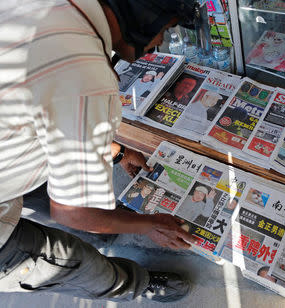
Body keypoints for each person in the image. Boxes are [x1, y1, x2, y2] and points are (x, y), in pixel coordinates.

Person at [0, 0, 199, 303]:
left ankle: (102, 227)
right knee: (72, 264)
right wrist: (151, 225)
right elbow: (70, 212)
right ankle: (133, 284)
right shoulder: (86, 78)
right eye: (166, 28)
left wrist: (117, 152)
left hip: (10, 157)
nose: (160, 42)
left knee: (81, 216)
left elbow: (51, 119)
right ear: (145, 14)